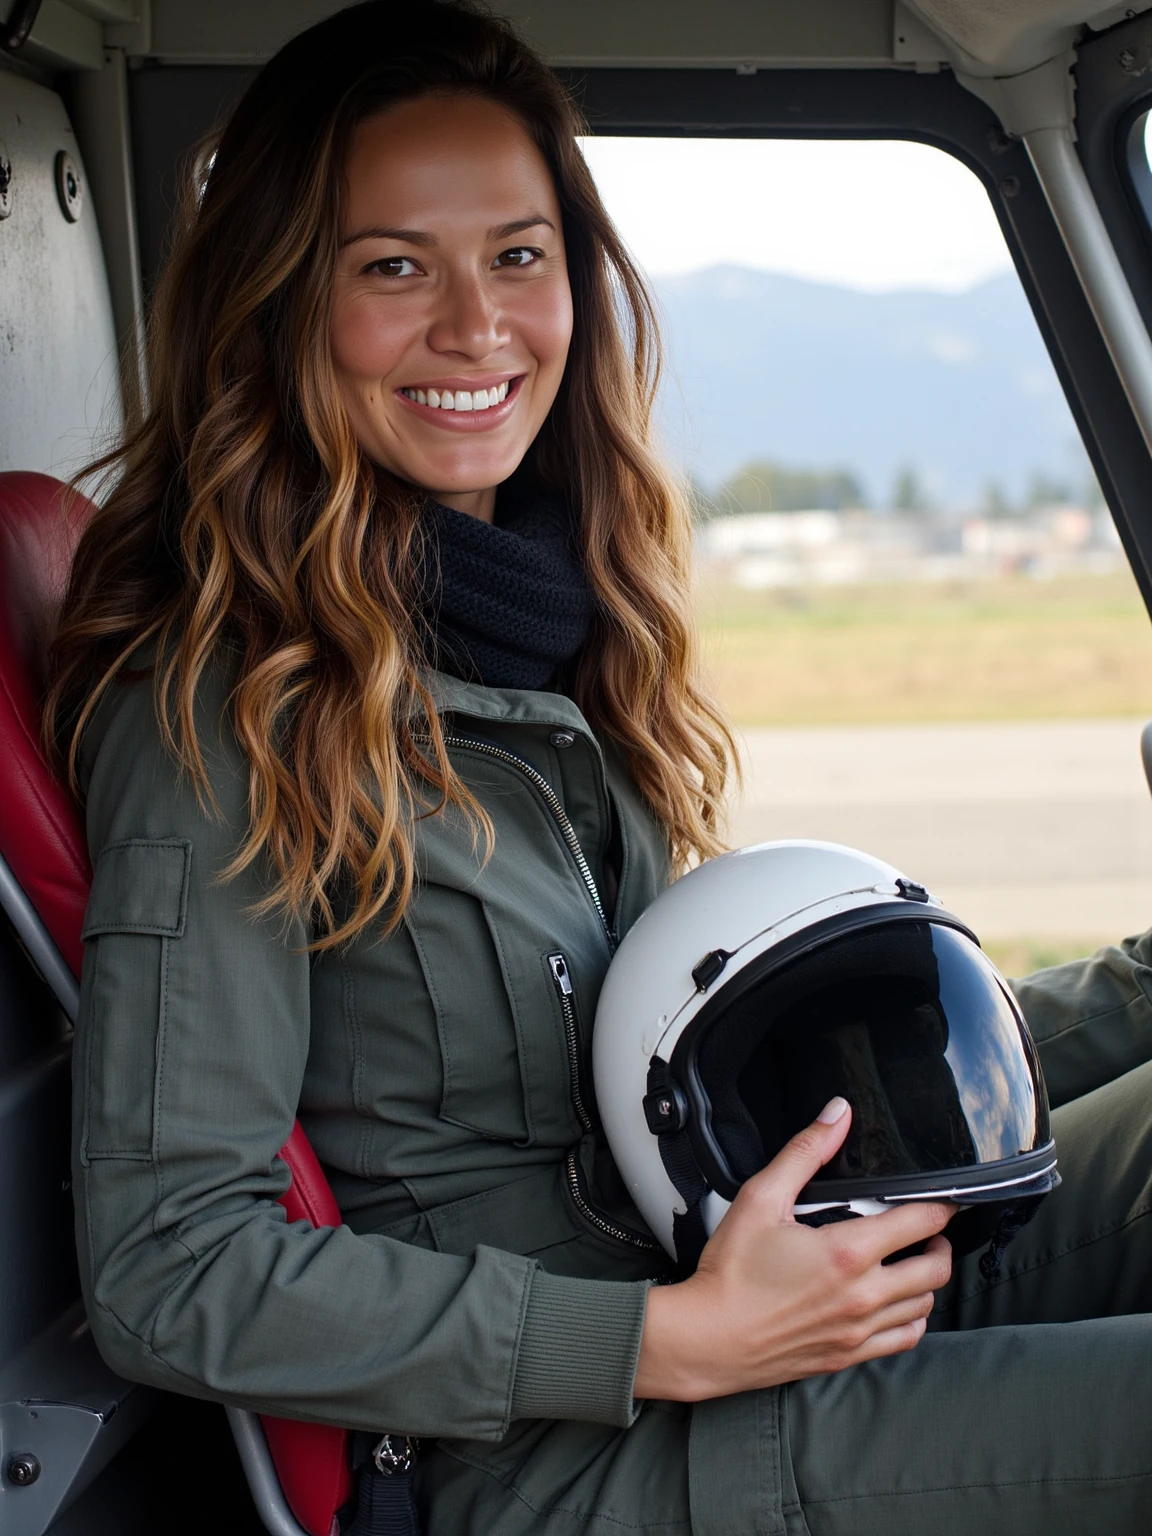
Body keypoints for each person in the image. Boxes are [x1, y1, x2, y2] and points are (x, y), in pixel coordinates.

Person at [45, 3, 1152, 1532]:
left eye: (517, 254)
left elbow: (690, 1076)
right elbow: (173, 1267)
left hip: (710, 1294)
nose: (475, 326)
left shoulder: (541, 632)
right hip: (545, 1450)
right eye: (391, 267)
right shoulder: (225, 717)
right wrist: (665, 1339)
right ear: (281, 304)